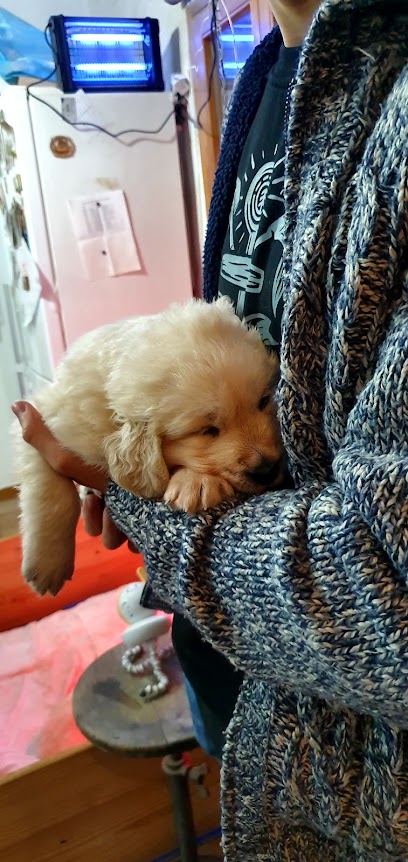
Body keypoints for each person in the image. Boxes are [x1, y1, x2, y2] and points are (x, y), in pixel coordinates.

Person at [12, 0, 408, 859]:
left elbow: (390, 588)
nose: (259, 444)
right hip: (226, 662)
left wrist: (149, 500)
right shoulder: (264, 71)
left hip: (359, 771)